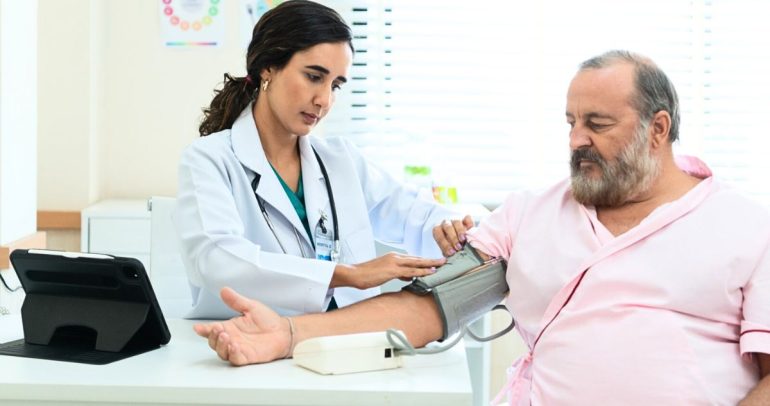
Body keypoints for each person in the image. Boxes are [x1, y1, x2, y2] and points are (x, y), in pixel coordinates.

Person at [191, 50, 770, 405]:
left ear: (658, 129)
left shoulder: (745, 227)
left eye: (597, 124)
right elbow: (426, 307)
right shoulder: (530, 215)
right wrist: (290, 335)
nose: (575, 141)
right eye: (570, 123)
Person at [174, 0, 472, 319]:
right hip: (254, 348)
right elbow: (217, 259)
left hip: (346, 338)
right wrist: (348, 275)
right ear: (268, 67)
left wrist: (450, 228)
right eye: (314, 77)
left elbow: (412, 210)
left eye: (336, 85)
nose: (324, 100)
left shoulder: (340, 160)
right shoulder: (210, 160)